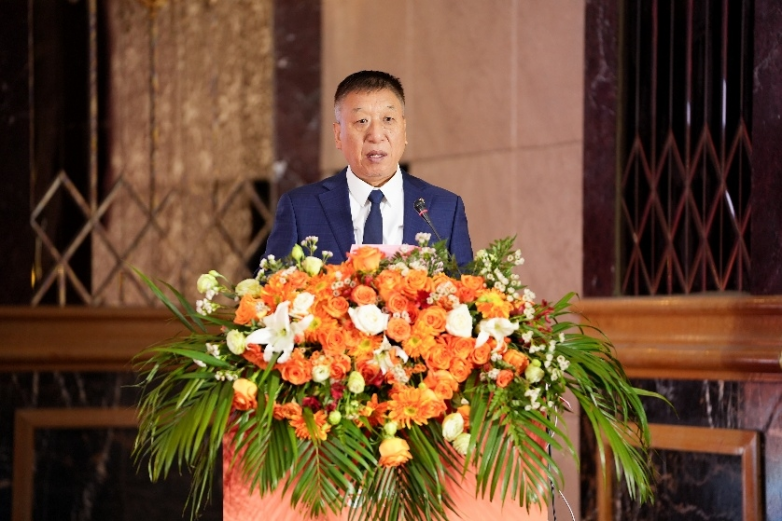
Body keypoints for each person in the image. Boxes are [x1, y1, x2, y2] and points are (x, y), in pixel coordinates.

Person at [262, 70, 473, 266]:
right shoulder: (300, 208)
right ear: (338, 135)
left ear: (404, 130)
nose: (376, 135)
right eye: (362, 121)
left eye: (388, 119)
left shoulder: (445, 208)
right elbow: (269, 285)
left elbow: (467, 287)